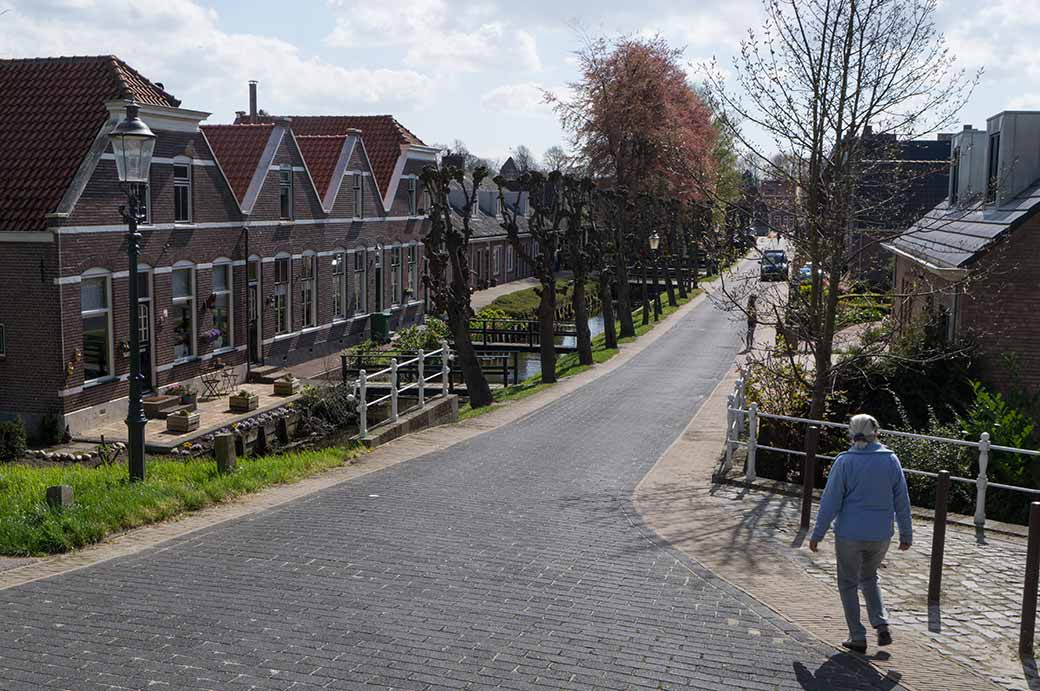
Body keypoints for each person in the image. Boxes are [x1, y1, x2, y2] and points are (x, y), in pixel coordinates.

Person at [809, 413, 912, 654]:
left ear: (851, 433)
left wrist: (818, 533)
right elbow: (902, 501)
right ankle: (881, 621)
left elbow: (830, 501)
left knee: (847, 582)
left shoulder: (845, 462)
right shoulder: (891, 461)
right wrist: (906, 534)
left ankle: (857, 635)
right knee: (869, 577)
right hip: (881, 534)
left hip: (849, 534)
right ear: (876, 432)